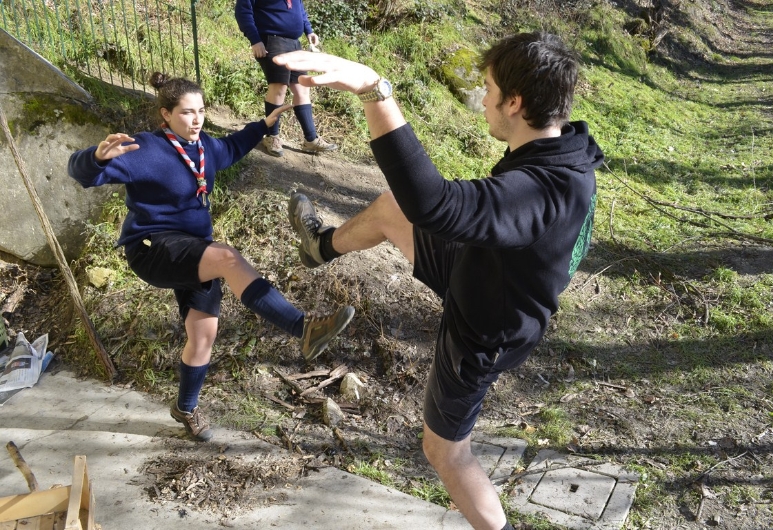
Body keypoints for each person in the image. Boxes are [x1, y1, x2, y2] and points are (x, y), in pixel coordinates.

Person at [275, 32, 604, 530]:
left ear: (515, 103)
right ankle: (320, 247)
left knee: (445, 451)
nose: (484, 100)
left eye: (489, 90)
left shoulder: (540, 191)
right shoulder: (568, 149)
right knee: (392, 209)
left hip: (485, 328)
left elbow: (436, 204)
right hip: (485, 269)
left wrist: (374, 90)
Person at [68, 72, 354, 443]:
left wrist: (262, 126)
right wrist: (94, 158)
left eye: (201, 111)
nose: (197, 119)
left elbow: (232, 147)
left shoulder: (204, 147)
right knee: (227, 258)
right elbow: (82, 173)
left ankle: (185, 408)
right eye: (187, 112)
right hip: (153, 248)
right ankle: (304, 329)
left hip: (193, 249)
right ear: (166, 114)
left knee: (203, 334)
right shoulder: (145, 149)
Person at [235, 0, 337, 157]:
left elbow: (299, 9)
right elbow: (243, 11)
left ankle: (310, 140)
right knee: (279, 87)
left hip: (294, 43)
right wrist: (255, 40)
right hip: (272, 40)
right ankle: (272, 136)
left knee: (302, 87)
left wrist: (309, 31)